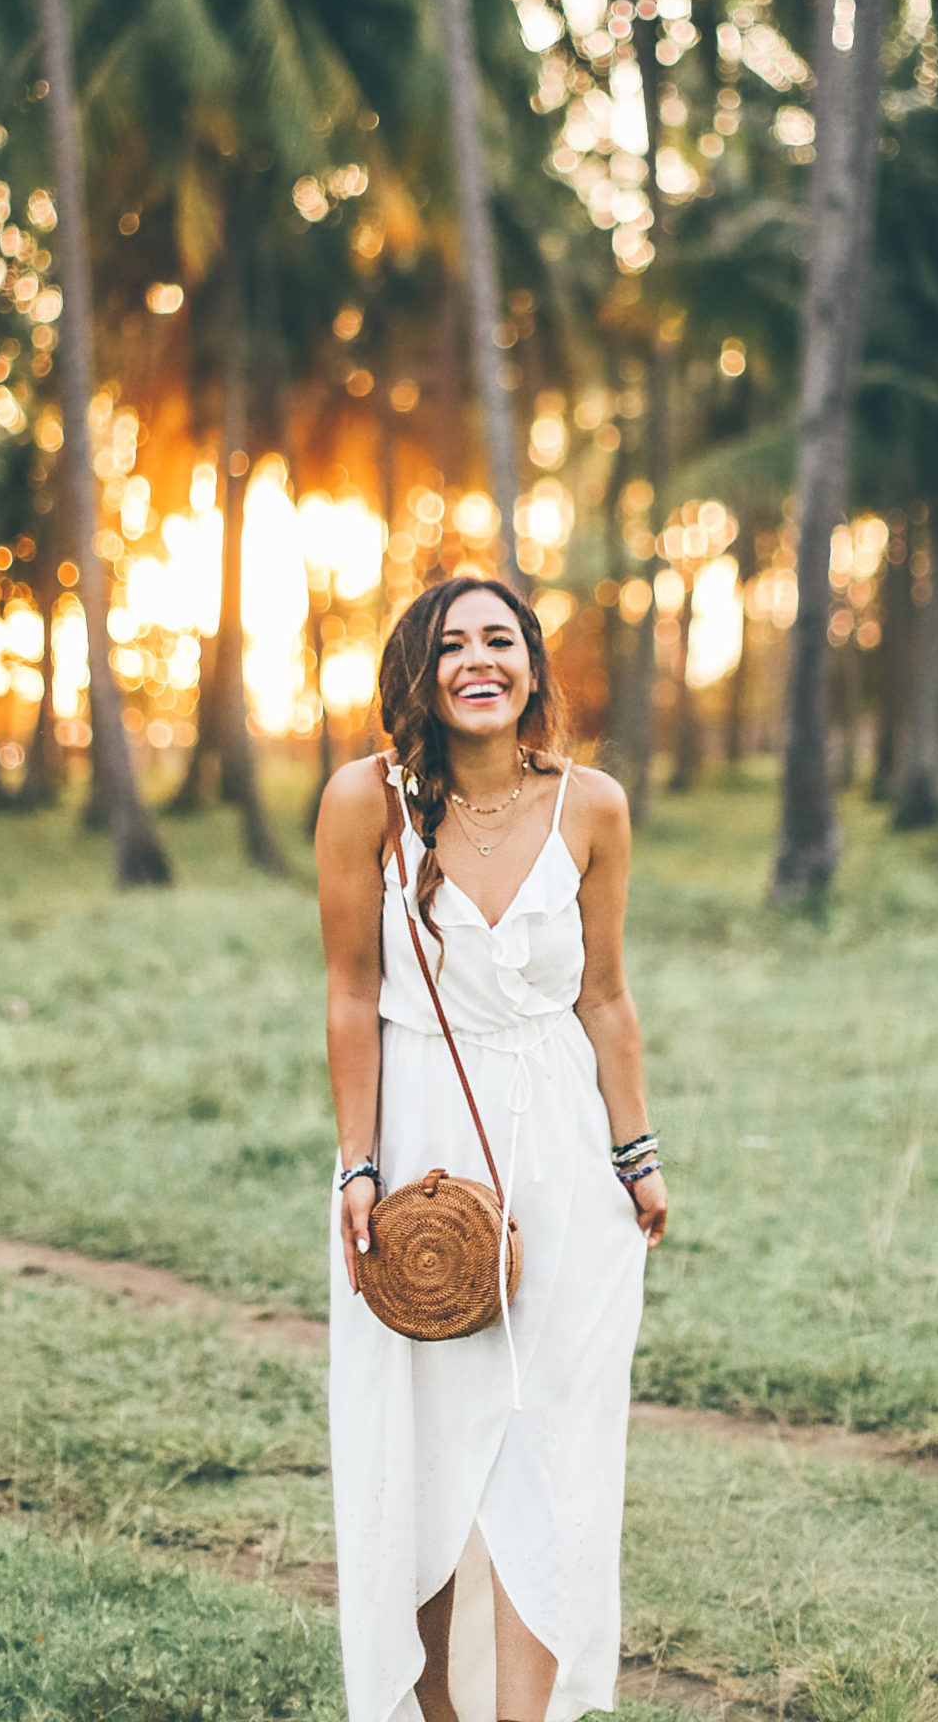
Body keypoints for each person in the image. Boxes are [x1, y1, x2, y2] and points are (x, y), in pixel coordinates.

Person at [316, 575, 667, 1722]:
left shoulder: (593, 806)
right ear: (417, 673)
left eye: (501, 640)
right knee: (418, 1452)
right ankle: (429, 1711)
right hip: (417, 1147)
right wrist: (358, 1165)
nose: (480, 659)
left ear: (532, 668)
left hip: (561, 1152)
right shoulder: (363, 800)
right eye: (451, 643)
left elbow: (606, 999)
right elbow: (349, 994)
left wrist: (637, 1154)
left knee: (546, 1445)